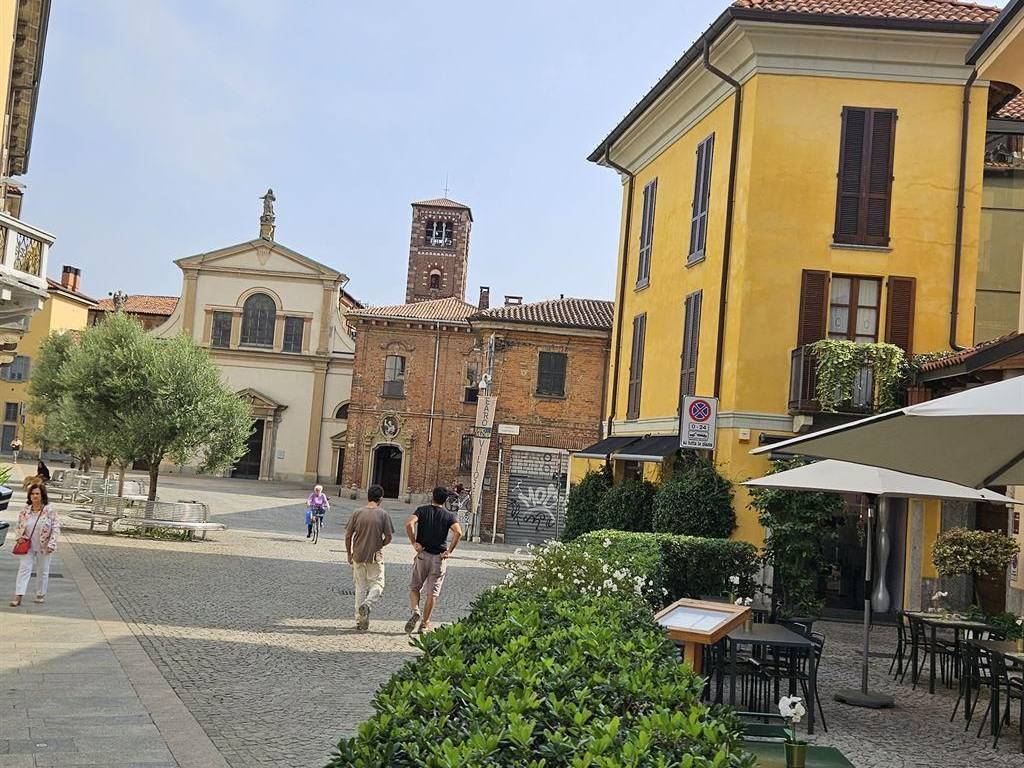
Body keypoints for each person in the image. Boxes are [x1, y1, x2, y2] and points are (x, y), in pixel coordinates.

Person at [405, 486, 462, 634]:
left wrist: (414, 542)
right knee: (432, 593)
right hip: (439, 558)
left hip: (423, 555)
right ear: (445, 500)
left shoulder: (422, 510)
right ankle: (424, 624)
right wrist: (449, 551)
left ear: (432, 497)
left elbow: (409, 524)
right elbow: (458, 532)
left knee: (414, 588)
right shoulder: (449, 516)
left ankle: (415, 610)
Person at [345, 484, 394, 630]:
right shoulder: (383, 514)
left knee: (360, 587)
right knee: (378, 584)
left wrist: (349, 553)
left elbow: (348, 535)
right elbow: (389, 537)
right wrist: (380, 544)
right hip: (375, 556)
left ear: (368, 497)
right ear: (381, 499)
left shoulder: (357, 513)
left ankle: (360, 621)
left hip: (358, 554)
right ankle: (368, 603)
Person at [10, 483, 59, 607]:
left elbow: (56, 528)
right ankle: (18, 595)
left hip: (44, 545)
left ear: (42, 495)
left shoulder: (50, 510)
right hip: (28, 545)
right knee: (24, 569)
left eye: (37, 493)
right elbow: (19, 526)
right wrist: (19, 537)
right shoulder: (25, 510)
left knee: (42, 570)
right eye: (32, 494)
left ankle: (40, 594)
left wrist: (52, 544)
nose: (34, 496)